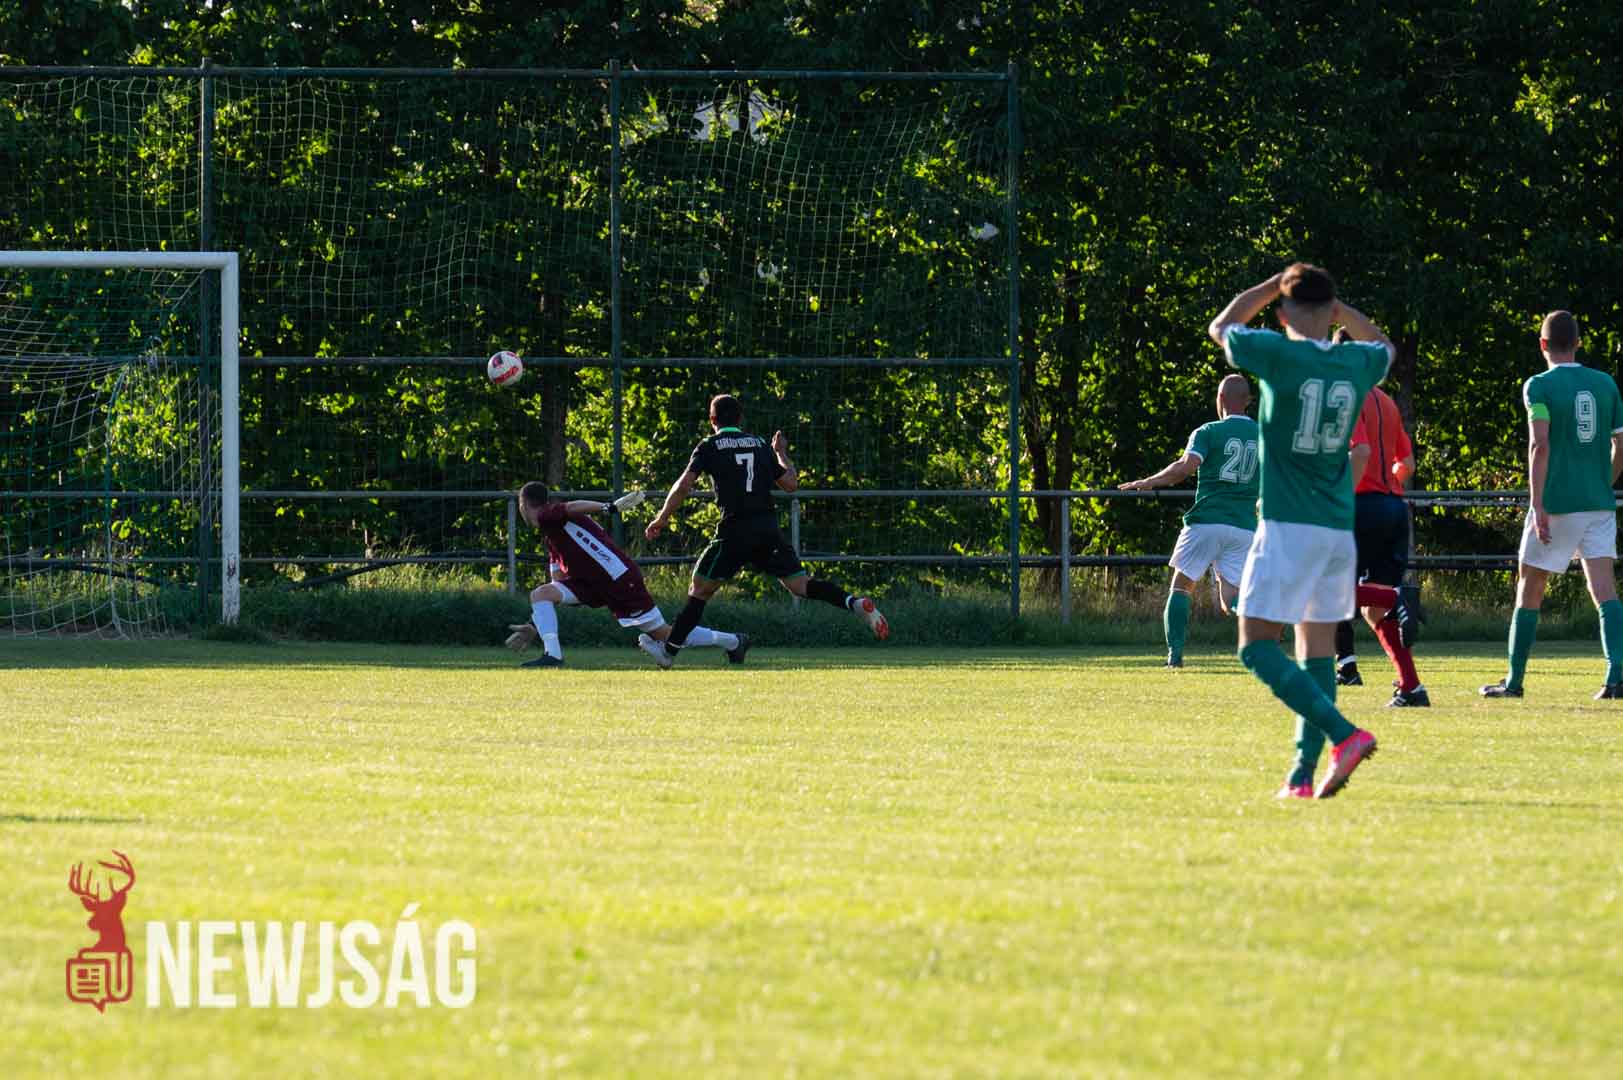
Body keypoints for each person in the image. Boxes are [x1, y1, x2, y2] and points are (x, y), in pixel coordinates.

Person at [1208, 263, 1392, 800]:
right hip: (1337, 529)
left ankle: (1345, 735)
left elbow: (1221, 327)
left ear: (1284, 313)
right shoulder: (1354, 362)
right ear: (1330, 312)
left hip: (1288, 525)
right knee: (1316, 652)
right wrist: (1341, 311)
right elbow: (1384, 346)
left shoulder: (1278, 353)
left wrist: (1269, 287)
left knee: (1255, 648)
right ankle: (1301, 776)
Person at [642, 393, 888, 667]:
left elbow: (684, 485)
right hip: (767, 530)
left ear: (712, 420)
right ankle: (854, 603)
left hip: (734, 531)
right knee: (799, 585)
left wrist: (662, 518)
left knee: (699, 590)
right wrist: (781, 453)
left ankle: (668, 653)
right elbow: (791, 484)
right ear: (740, 418)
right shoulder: (759, 444)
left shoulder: (709, 445)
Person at [1482, 310, 1623, 700]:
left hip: (1558, 502)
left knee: (1530, 586)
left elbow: (1540, 444)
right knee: (1604, 589)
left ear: (1542, 344)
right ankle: (1616, 677)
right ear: (1578, 343)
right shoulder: (1605, 383)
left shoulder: (1538, 386)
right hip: (1598, 503)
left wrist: (1538, 503)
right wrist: (1602, 482)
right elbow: (1621, 444)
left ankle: (1514, 682)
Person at [505, 481, 748, 668]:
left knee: (665, 634)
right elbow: (557, 586)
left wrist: (608, 507)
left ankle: (734, 641)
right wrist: (535, 624)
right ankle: (553, 655)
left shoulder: (546, 514)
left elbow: (571, 506)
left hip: (618, 579)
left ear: (523, 505)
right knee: (541, 594)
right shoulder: (552, 536)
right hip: (592, 585)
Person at [1119, 374, 1259, 668]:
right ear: (1248, 401)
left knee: (1182, 586)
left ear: (1220, 399)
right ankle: (1263, 618)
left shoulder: (1208, 431)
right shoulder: (1263, 435)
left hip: (1207, 520)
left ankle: (1175, 656)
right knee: (1231, 598)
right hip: (1244, 526)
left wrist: (1149, 481)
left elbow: (1184, 468)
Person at [1332, 381, 1429, 707]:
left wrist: (1342, 497)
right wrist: (1386, 486)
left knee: (1326, 591)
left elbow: (1360, 451)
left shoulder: (1346, 395)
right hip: (1393, 506)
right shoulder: (1387, 402)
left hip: (1361, 506)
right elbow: (1407, 464)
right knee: (1375, 611)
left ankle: (1396, 598)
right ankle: (1411, 687)